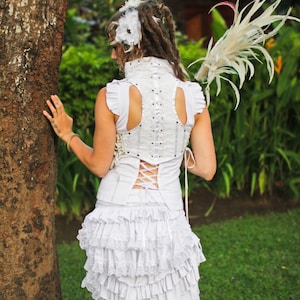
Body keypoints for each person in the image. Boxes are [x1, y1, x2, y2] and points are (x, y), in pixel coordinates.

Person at [43, 0, 216, 298]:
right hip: (169, 220)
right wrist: (175, 152)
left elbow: (99, 164)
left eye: (115, 46)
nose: (113, 54)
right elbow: (207, 169)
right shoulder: (193, 97)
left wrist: (68, 134)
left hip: (119, 220)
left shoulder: (112, 96)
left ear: (132, 46)